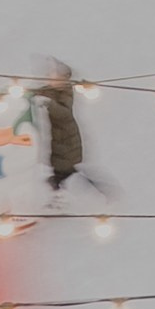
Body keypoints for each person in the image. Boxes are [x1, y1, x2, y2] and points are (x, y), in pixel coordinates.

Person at [32, 58, 106, 204]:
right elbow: (36, 94)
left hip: (67, 142)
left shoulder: (66, 92)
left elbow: (64, 113)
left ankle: (102, 193)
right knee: (64, 175)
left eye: (56, 76)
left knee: (63, 174)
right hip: (58, 143)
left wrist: (48, 103)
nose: (51, 78)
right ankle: (101, 193)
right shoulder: (49, 91)